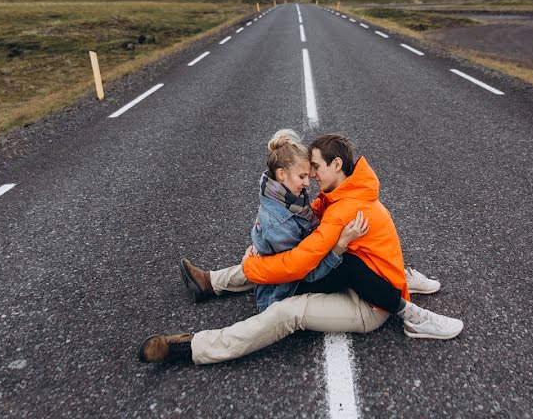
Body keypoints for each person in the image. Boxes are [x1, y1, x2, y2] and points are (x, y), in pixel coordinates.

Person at [138, 133, 463, 364]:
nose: (312, 176)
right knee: (282, 251)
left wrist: (254, 267)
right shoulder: (349, 192)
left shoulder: (344, 207)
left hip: (368, 305)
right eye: (306, 172)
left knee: (286, 309)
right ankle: (211, 282)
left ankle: (192, 347)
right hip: (355, 278)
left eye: (316, 168)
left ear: (337, 165)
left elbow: (299, 263)